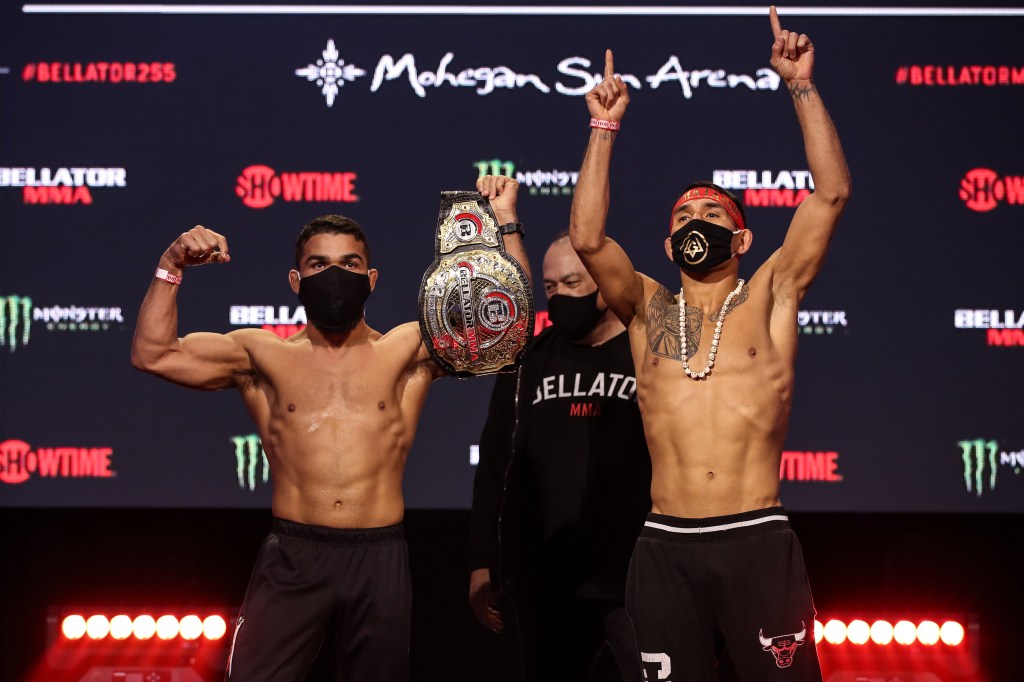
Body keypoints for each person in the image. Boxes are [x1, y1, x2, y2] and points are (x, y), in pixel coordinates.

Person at [130, 175, 529, 682]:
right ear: (296, 281)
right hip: (293, 555)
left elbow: (508, 329)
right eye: (319, 265)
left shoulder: (407, 349)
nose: (335, 275)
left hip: (378, 555)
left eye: (350, 264)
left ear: (372, 279)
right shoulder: (261, 354)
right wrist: (171, 265)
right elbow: (153, 354)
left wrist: (506, 223)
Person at [568, 8, 851, 681]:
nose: (697, 223)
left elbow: (831, 193)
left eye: (712, 214)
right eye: (684, 219)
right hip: (666, 543)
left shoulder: (771, 293)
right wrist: (603, 126)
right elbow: (585, 239)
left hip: (756, 537)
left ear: (742, 238)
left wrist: (801, 86)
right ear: (668, 246)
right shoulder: (646, 307)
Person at [468, 233, 651, 682]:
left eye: (572, 283)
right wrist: (480, 559)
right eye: (551, 288)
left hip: (636, 573)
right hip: (548, 577)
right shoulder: (529, 360)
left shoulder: (647, 353)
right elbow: (496, 461)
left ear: (605, 284)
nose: (561, 297)